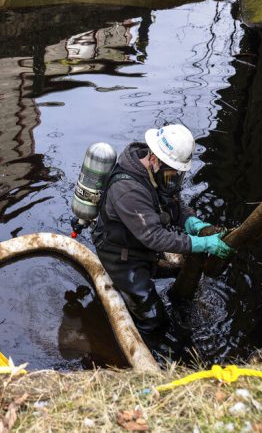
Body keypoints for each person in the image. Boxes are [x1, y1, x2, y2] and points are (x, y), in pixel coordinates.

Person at [91, 124, 233, 355]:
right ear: (154, 159)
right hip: (121, 256)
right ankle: (153, 355)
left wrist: (192, 222)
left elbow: (175, 204)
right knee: (154, 320)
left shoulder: (157, 175)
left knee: (179, 272)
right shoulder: (127, 190)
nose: (175, 180)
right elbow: (154, 237)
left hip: (141, 247)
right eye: (172, 174)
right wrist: (199, 243)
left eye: (178, 174)